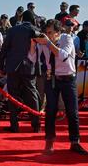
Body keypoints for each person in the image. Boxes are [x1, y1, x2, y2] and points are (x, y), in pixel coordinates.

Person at [31, 19, 88, 155]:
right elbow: (32, 58)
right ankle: (49, 141)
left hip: (68, 79)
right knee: (50, 110)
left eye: (50, 32)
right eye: (46, 32)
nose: (47, 35)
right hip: (52, 79)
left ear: (58, 32)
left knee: (72, 111)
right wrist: (33, 43)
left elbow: (62, 55)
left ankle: (75, 142)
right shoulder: (44, 41)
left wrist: (48, 43)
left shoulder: (67, 38)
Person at [0, 10, 41, 133]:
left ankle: (14, 125)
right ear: (33, 19)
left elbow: (4, 49)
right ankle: (36, 125)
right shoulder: (37, 31)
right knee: (32, 95)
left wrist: (0, 65)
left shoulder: (13, 30)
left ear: (22, 18)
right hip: (29, 67)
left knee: (13, 96)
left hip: (13, 67)